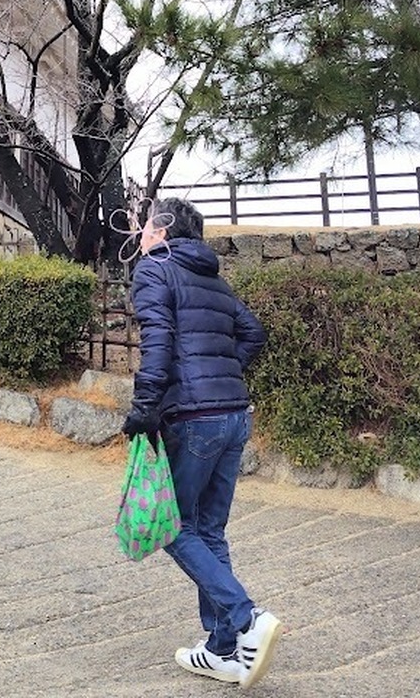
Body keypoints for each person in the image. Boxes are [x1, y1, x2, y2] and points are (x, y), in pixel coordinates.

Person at [122, 197, 282, 689]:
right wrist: (219, 375)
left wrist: (145, 408)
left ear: (164, 229)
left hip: (193, 420)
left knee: (172, 528)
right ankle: (222, 649)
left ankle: (247, 618)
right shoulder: (212, 276)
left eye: (147, 227)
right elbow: (253, 333)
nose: (142, 235)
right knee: (208, 531)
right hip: (234, 414)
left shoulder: (155, 269)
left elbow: (159, 339)